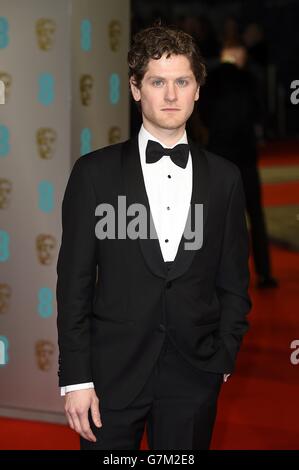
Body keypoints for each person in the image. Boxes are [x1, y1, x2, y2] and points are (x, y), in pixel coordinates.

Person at [56, 24, 251, 450]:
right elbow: (74, 285)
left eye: (182, 81)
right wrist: (76, 376)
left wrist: (223, 354)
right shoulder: (94, 174)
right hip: (110, 377)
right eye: (157, 82)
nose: (170, 95)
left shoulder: (225, 179)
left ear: (198, 89)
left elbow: (234, 280)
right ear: (135, 88)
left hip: (193, 375)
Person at [199, 41, 278, 289]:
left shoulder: (213, 80)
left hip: (220, 155)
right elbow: (261, 111)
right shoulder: (248, 79)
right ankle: (264, 273)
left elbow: (202, 111)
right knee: (254, 214)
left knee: (218, 219)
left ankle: (215, 275)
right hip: (244, 156)